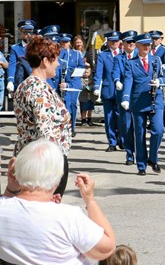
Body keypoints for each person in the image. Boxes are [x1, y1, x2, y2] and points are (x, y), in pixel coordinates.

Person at [0, 139, 116, 265]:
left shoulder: (3, 208)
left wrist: (11, 188)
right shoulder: (68, 217)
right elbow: (106, 249)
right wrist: (90, 200)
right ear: (57, 178)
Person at [13, 35, 72, 196]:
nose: (58, 64)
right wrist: (53, 170)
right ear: (45, 61)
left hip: (30, 159)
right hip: (44, 165)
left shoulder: (26, 85)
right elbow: (46, 132)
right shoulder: (39, 89)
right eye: (56, 60)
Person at [120, 33, 165, 175]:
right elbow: (128, 80)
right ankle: (141, 165)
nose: (147, 46)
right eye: (144, 44)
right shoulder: (130, 63)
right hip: (138, 101)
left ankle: (153, 158)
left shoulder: (156, 60)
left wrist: (159, 81)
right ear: (137, 46)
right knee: (139, 133)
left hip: (155, 99)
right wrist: (126, 98)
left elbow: (162, 74)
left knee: (158, 130)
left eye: (149, 44)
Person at [93, 31, 122, 152]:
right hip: (108, 89)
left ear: (120, 42)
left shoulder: (123, 54)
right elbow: (99, 72)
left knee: (122, 117)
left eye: (116, 41)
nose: (114, 43)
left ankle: (123, 141)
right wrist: (96, 87)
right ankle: (112, 142)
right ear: (108, 42)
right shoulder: (103, 55)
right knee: (109, 117)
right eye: (112, 41)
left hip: (121, 90)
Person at [113, 30, 138, 165]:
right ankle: (129, 154)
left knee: (139, 126)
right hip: (123, 95)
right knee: (126, 126)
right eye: (129, 42)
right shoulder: (119, 58)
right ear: (123, 44)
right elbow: (115, 71)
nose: (132, 44)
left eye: (134, 41)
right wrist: (117, 80)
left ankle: (140, 153)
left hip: (138, 95)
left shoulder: (140, 57)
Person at [6, 19, 36, 94]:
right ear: (21, 32)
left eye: (30, 32)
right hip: (21, 82)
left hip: (35, 82)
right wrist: (10, 80)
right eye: (25, 32)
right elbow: (12, 65)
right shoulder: (15, 48)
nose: (28, 34)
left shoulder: (37, 47)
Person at [79, 62, 97, 127]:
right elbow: (81, 86)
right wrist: (86, 84)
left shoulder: (91, 79)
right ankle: (83, 120)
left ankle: (90, 119)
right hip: (84, 97)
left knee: (90, 109)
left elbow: (93, 85)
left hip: (91, 97)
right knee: (84, 109)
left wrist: (90, 85)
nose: (86, 74)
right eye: (85, 72)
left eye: (87, 72)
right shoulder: (81, 79)